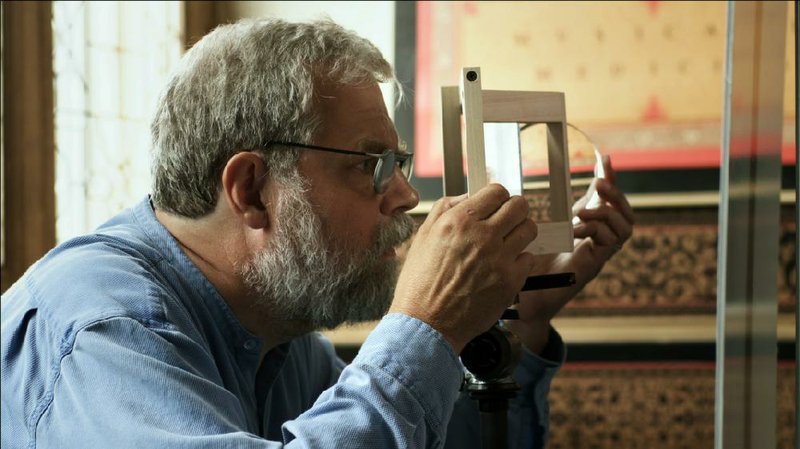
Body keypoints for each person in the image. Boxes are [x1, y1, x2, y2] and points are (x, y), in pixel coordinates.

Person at [1, 18, 634, 449]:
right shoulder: (103, 330)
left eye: (399, 164)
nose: (408, 197)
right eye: (369, 166)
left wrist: (516, 321)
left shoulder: (277, 327)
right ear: (251, 190)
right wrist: (424, 326)